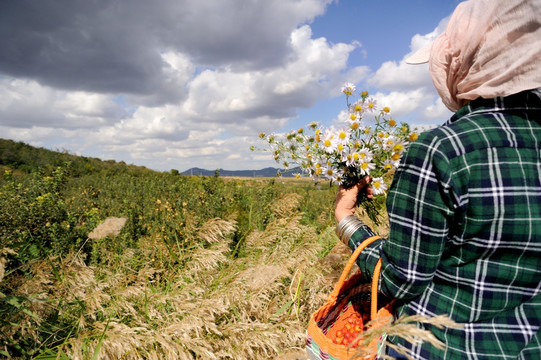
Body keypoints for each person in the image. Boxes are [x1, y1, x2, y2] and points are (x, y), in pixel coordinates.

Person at [334, 0, 541, 358]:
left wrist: (347, 222)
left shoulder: (441, 150)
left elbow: (402, 277)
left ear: (464, 61)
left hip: (442, 347)